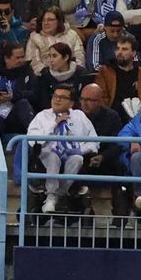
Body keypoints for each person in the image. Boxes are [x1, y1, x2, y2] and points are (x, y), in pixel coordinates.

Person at [24, 84, 100, 214]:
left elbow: (94, 142)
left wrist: (79, 150)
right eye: (55, 96)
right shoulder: (42, 116)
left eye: (62, 97)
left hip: (71, 155)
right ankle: (53, 197)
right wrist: (55, 124)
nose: (57, 100)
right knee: (53, 156)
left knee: (77, 158)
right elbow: (33, 141)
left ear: (71, 103)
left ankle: (54, 196)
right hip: (47, 155)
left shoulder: (79, 116)